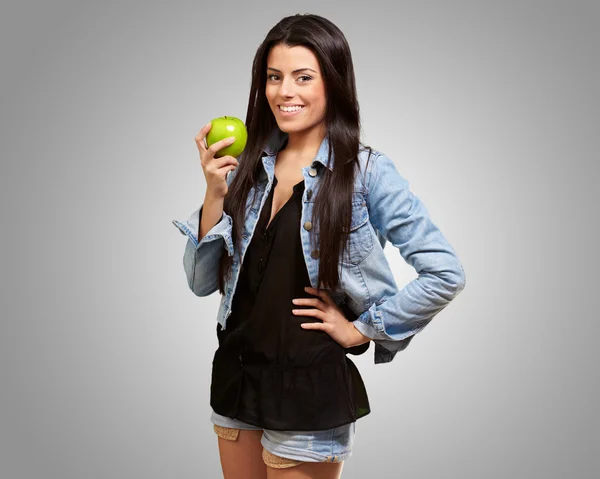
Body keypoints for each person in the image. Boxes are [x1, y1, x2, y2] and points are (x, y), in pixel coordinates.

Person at [173, 13, 466, 479]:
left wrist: (362, 329)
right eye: (274, 77)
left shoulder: (365, 173)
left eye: (303, 77)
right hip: (237, 377)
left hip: (309, 389)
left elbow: (445, 273)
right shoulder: (251, 164)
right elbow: (201, 282)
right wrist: (214, 193)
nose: (284, 92)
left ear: (333, 81)